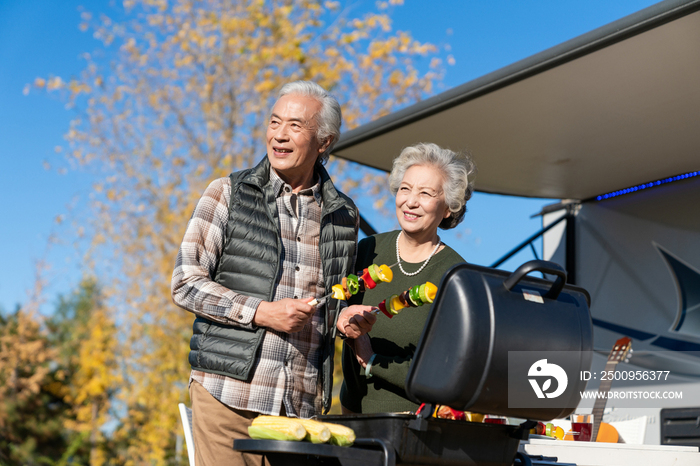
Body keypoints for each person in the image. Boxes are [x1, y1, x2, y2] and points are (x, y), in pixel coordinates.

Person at [171, 81, 376, 466]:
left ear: (324, 142)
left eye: (295, 126)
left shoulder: (344, 215)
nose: (279, 134)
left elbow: (333, 302)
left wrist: (346, 318)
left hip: (300, 411)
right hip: (227, 399)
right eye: (274, 122)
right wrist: (262, 312)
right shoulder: (227, 192)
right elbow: (185, 283)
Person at [340, 142, 476, 414]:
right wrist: (340, 319)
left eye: (426, 193)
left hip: (414, 421)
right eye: (405, 188)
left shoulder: (457, 275)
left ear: (448, 207)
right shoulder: (368, 250)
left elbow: (451, 370)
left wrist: (372, 361)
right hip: (352, 414)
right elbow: (331, 307)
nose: (411, 201)